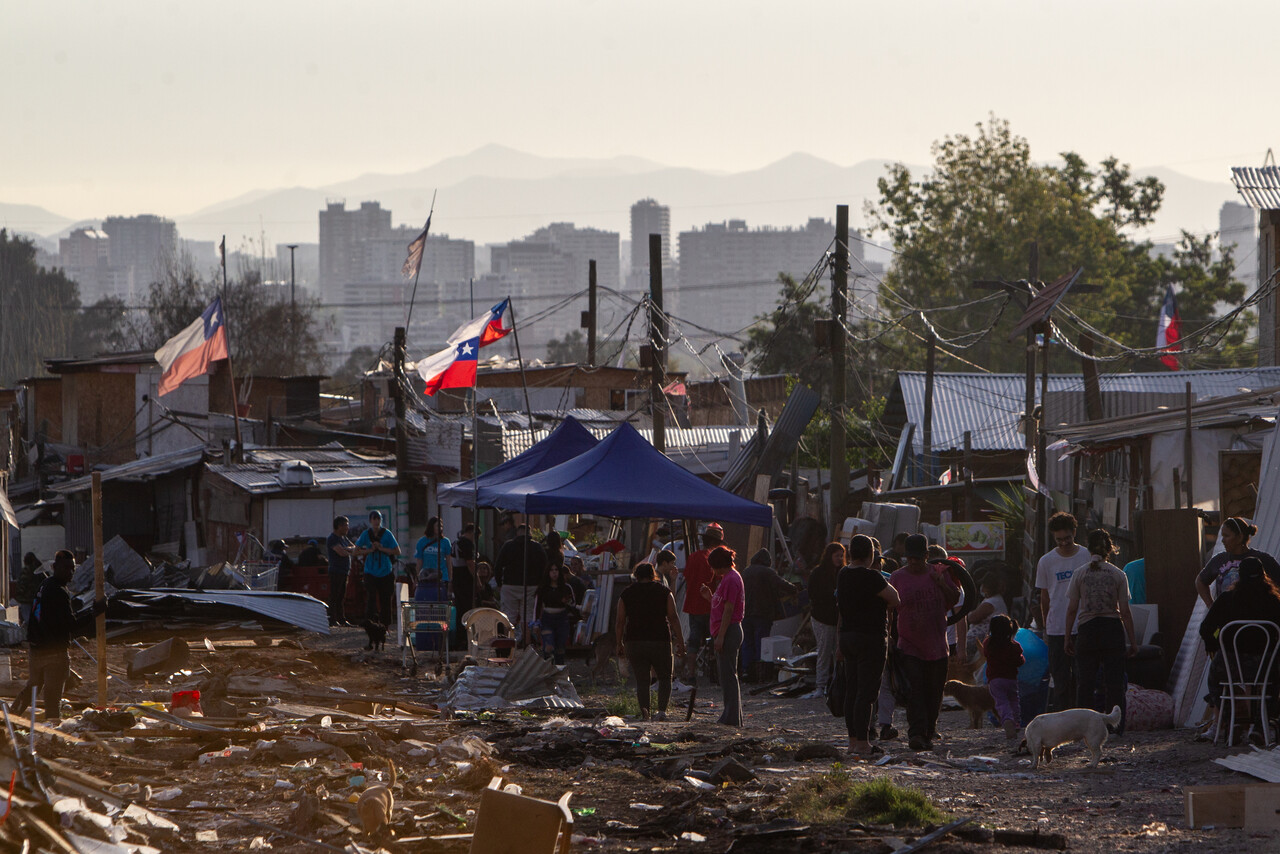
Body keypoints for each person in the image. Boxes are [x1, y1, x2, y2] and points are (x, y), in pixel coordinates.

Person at [10, 551, 105, 721]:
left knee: (31, 689)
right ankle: (53, 731)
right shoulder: (59, 592)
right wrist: (94, 613)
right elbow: (70, 625)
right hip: (54, 653)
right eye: (66, 568)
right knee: (52, 699)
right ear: (55, 567)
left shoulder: (45, 585)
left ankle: (10, 718)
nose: (70, 572)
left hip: (36, 650)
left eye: (72, 568)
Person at [890, 533, 960, 751]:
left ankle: (929, 730)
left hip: (937, 645)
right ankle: (916, 733)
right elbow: (890, 609)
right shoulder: (897, 577)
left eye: (918, 558)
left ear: (926, 556)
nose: (913, 562)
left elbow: (955, 600)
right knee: (915, 690)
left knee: (934, 692)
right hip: (909, 644)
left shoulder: (939, 573)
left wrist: (941, 584)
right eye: (910, 558)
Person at [1064, 528, 1137, 732]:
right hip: (1111, 629)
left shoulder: (1080, 573)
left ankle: (1083, 729)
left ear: (1089, 549)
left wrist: (1067, 637)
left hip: (1087, 630)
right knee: (1114, 683)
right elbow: (1125, 612)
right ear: (1110, 550)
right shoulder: (1118, 574)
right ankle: (1115, 728)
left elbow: (1072, 609)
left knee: (1085, 683)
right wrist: (1132, 641)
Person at [1199, 555, 1280, 732]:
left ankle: (1231, 720)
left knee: (1215, 680)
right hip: (1265, 666)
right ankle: (1261, 725)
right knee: (1274, 681)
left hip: (1230, 666)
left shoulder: (1227, 599)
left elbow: (1206, 628)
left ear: (1239, 577)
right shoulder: (1274, 601)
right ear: (1264, 576)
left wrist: (1214, 645)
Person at [836, 535, 900, 757]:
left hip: (848, 637)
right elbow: (895, 598)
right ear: (870, 554)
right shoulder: (872, 576)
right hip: (870, 638)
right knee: (866, 692)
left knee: (852, 690)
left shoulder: (843, 574)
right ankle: (864, 743)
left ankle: (853, 741)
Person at [617, 562, 686, 720]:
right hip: (660, 640)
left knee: (642, 680)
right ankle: (661, 712)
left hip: (634, 641)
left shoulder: (626, 593)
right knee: (665, 678)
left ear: (636, 576)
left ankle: (645, 713)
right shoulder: (664, 592)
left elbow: (620, 621)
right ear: (653, 575)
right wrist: (681, 642)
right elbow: (674, 618)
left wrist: (619, 643)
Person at [1037, 511, 1083, 712]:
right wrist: (1046, 626)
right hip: (1056, 628)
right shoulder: (1046, 561)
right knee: (1060, 679)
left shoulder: (1086, 556)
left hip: (1082, 626)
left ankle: (1081, 718)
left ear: (1075, 532)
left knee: (1082, 678)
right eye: (1059, 540)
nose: (1064, 543)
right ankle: (1062, 719)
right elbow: (1044, 597)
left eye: (1068, 538)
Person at [702, 545, 745, 726]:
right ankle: (731, 715)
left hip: (728, 631)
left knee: (728, 676)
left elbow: (729, 610)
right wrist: (710, 597)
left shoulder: (731, 579)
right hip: (725, 631)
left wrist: (720, 637)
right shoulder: (727, 579)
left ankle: (731, 717)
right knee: (726, 675)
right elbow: (721, 605)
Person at [740, 548, 799, 680]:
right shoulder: (768, 572)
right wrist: (795, 589)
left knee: (747, 642)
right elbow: (782, 584)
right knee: (761, 643)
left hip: (746, 613)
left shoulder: (746, 572)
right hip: (762, 613)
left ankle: (746, 671)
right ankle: (760, 672)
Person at [1196, 518, 1280, 607]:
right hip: (1227, 614)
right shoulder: (1219, 559)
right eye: (1222, 536)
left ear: (1240, 537)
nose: (1223, 540)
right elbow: (1200, 581)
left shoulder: (1262, 559)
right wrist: (1211, 606)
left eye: (1226, 536)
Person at [681, 523, 725, 681]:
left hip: (693, 605)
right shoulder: (716, 559)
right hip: (710, 605)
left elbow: (687, 578)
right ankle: (715, 672)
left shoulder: (693, 557)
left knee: (693, 641)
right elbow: (720, 582)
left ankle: (691, 673)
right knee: (714, 639)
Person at [495, 524, 548, 642]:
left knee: (509, 616)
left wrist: (499, 583)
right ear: (529, 533)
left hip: (510, 584)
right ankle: (527, 643)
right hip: (531, 585)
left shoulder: (508, 546)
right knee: (527, 616)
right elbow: (544, 567)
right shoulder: (537, 547)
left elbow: (498, 566)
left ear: (518, 532)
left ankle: (507, 643)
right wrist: (540, 584)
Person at [807, 542, 844, 698]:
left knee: (838, 654)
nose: (840, 558)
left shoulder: (842, 573)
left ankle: (835, 685)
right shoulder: (819, 573)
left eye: (841, 556)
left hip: (837, 619)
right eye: (837, 555)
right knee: (824, 651)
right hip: (822, 619)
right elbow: (813, 594)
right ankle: (821, 686)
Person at [983, 615, 1026, 743]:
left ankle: (1007, 720)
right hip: (1011, 679)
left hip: (995, 679)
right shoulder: (1014, 646)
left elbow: (985, 654)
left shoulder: (988, 644)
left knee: (1001, 702)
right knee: (1014, 700)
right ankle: (1016, 722)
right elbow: (1020, 661)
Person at [354, 510, 400, 625]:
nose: (376, 521)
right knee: (371, 597)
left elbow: (397, 551)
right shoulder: (366, 534)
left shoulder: (387, 534)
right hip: (370, 570)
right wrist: (370, 550)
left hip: (385, 570)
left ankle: (385, 624)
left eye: (378, 519)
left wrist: (381, 548)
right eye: (374, 519)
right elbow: (355, 551)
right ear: (370, 521)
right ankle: (370, 622)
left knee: (386, 599)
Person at [534, 564, 577, 665]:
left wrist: (567, 601)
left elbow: (573, 603)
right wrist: (535, 623)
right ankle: (547, 668)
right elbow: (537, 606)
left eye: (556, 570)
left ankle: (559, 669)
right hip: (547, 619)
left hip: (562, 619)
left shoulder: (566, 587)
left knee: (560, 648)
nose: (554, 573)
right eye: (551, 570)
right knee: (548, 645)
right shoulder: (543, 588)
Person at [963, 574, 1009, 661]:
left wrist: (966, 614)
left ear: (988, 588)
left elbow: (973, 618)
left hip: (982, 638)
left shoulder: (992, 602)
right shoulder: (994, 599)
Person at [325, 516, 354, 627]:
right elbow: (342, 553)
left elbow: (354, 547)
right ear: (339, 526)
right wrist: (348, 550)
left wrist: (347, 549)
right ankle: (331, 619)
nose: (347, 528)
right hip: (336, 571)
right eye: (346, 525)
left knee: (341, 596)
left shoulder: (344, 538)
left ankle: (341, 619)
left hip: (344, 571)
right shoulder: (333, 538)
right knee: (335, 595)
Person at [414, 517, 452, 588]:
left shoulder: (445, 542)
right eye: (437, 526)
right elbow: (419, 562)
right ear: (431, 527)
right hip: (426, 577)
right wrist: (416, 579)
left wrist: (450, 579)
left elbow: (449, 562)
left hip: (442, 577)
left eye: (441, 526)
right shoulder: (422, 541)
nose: (440, 528)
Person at [453, 523, 479, 620]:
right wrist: (477, 579)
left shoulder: (456, 542)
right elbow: (470, 563)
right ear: (472, 533)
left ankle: (460, 627)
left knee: (459, 607)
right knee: (468, 607)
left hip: (456, 577)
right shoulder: (467, 543)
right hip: (465, 579)